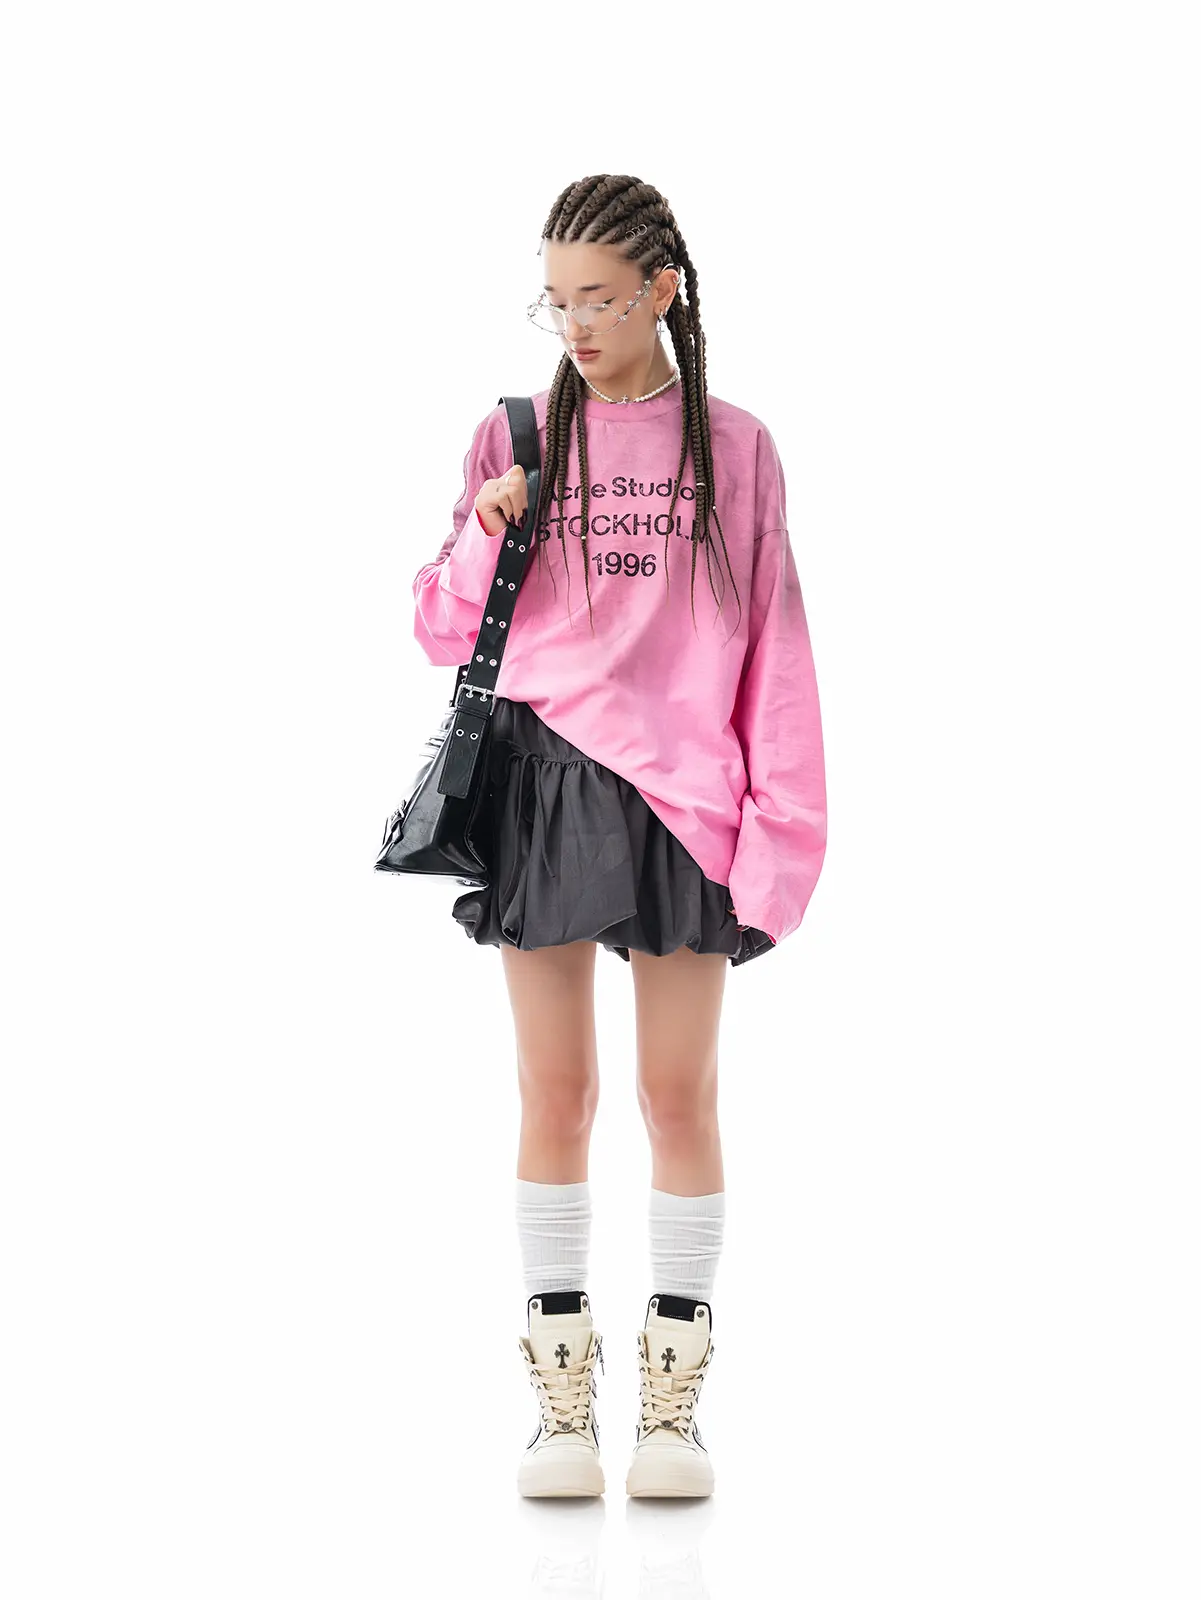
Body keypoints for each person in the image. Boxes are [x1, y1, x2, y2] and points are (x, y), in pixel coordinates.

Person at [410, 174, 827, 1499]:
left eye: (600, 297)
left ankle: (671, 1409)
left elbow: (776, 644)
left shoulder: (737, 449)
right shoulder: (518, 434)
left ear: (662, 291)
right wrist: (487, 532)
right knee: (556, 1095)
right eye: (558, 300)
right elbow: (437, 627)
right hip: (544, 782)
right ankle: (560, 1409)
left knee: (677, 1097)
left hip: (687, 795)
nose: (577, 324)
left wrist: (783, 829)